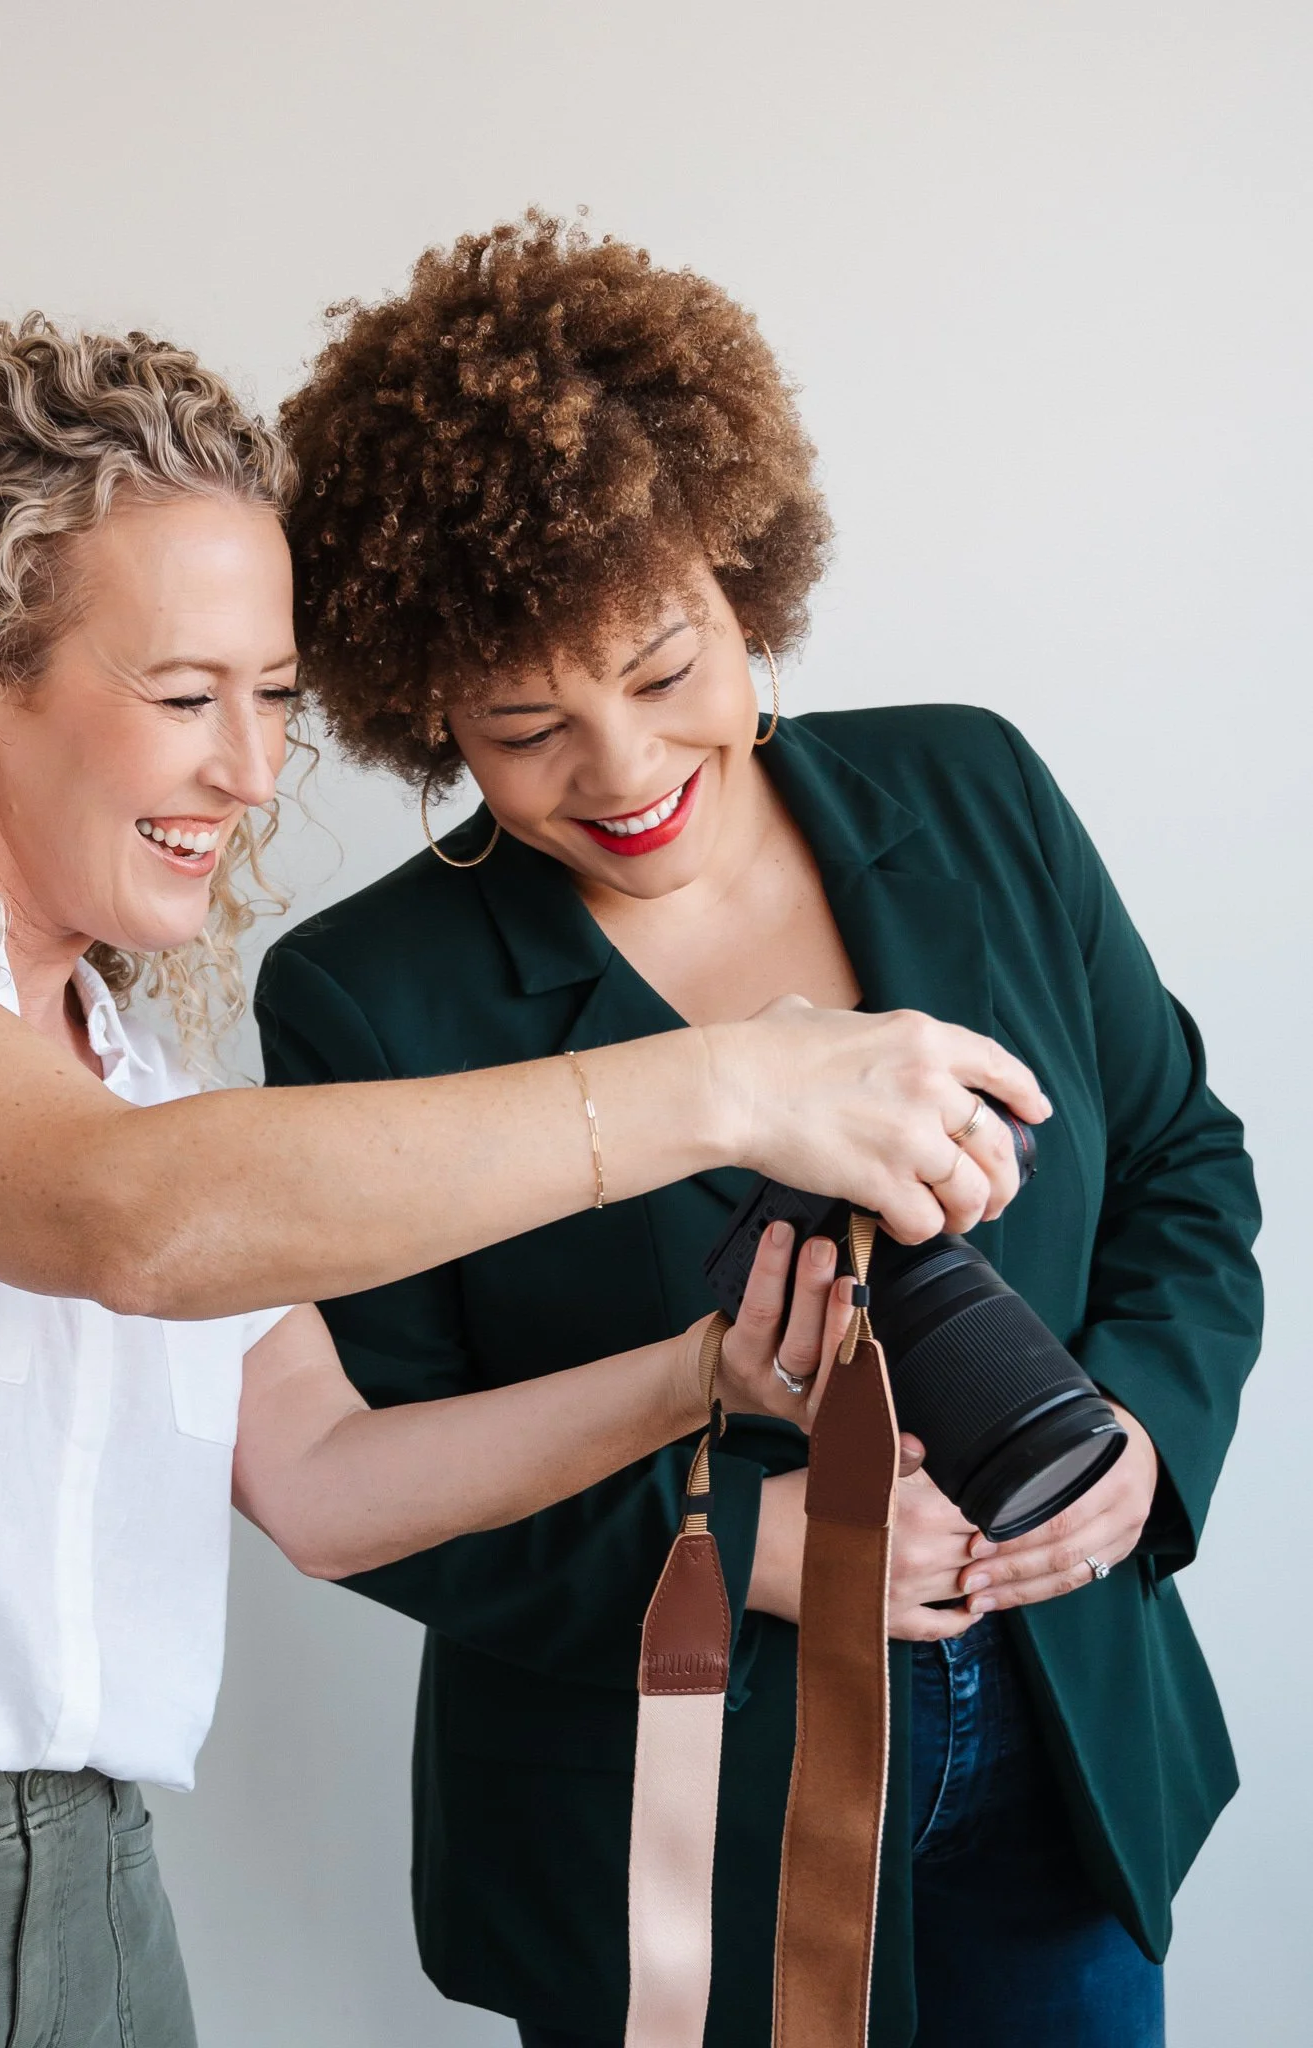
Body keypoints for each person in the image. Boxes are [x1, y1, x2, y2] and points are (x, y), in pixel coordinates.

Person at [0, 317, 1046, 2048]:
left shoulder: (136, 1061)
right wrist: (732, 1085)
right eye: (184, 699)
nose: (248, 775)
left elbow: (323, 1477)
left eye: (270, 701)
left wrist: (696, 1378)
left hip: (88, 1875)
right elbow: (118, 1215)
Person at [260, 215, 1263, 2048]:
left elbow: (1186, 1162)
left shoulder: (974, 788)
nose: (623, 775)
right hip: (664, 1828)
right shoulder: (360, 1000)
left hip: (1065, 1760)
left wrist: (1140, 1439)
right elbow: (370, 1476)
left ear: (740, 573)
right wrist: (734, 1546)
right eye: (521, 726)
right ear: (424, 716)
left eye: (662, 670)